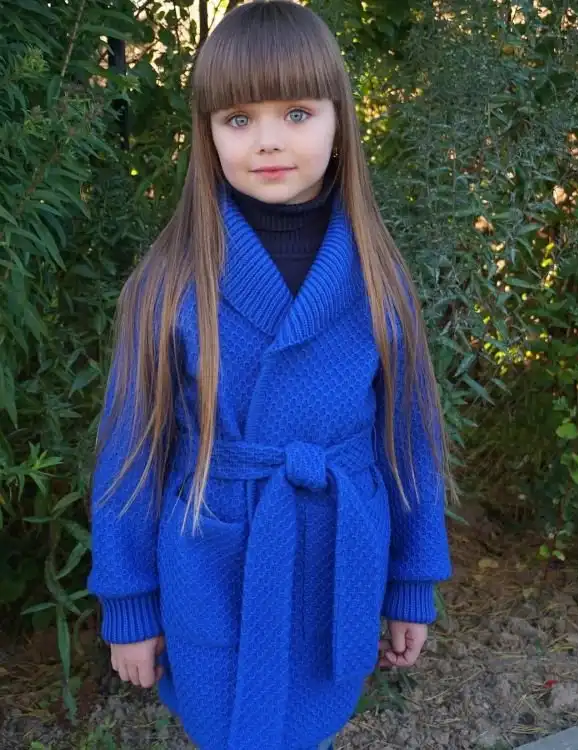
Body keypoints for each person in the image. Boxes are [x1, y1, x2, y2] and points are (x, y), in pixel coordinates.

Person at [86, 2, 454, 749]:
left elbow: (410, 443)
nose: (268, 141)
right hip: (212, 566)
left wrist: (411, 581)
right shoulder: (170, 282)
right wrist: (129, 603)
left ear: (339, 120)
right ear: (208, 134)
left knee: (310, 727)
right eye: (238, 119)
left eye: (296, 113)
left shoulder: (378, 278)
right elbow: (129, 456)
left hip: (334, 563)